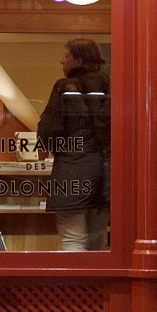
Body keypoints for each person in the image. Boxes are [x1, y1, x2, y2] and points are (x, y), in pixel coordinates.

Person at [37, 37, 110, 251]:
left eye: (66, 56)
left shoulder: (64, 87)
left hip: (72, 172)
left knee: (72, 240)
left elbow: (48, 132)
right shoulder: (111, 84)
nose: (62, 61)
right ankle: (98, 286)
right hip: (106, 174)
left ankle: (76, 286)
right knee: (97, 241)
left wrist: (60, 149)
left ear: (78, 61)